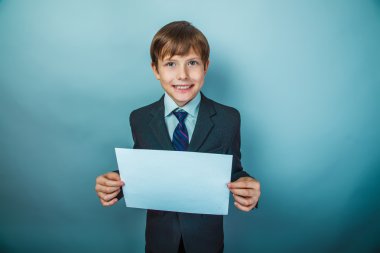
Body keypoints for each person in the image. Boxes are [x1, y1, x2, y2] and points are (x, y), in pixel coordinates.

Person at [95, 21, 261, 253]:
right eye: (171, 64)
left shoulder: (228, 118)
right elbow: (144, 168)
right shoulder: (140, 119)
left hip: (206, 241)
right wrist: (115, 183)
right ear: (156, 70)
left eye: (192, 63)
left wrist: (246, 184)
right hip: (160, 240)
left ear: (206, 66)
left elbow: (233, 169)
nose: (182, 75)